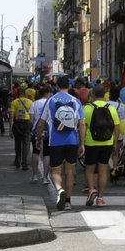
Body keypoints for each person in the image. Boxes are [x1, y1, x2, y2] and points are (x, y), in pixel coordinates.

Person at [80, 85, 125, 206]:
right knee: (103, 170)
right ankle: (100, 198)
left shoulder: (87, 108)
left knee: (89, 170)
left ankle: (91, 189)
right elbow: (117, 127)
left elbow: (83, 126)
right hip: (107, 142)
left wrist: (81, 142)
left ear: (93, 94)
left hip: (91, 142)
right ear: (104, 95)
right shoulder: (111, 108)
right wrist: (115, 143)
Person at [43, 75, 83, 211]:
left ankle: (60, 190)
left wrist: (37, 138)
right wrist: (82, 143)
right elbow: (82, 123)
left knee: (55, 171)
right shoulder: (76, 101)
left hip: (55, 141)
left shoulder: (51, 101)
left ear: (56, 87)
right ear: (69, 86)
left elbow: (42, 122)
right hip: (72, 140)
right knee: (70, 171)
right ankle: (68, 201)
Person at [10, 89, 34, 170]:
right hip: (26, 124)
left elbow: (11, 116)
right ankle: (24, 163)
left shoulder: (14, 102)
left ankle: (17, 162)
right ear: (24, 94)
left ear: (18, 94)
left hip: (17, 124)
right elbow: (32, 117)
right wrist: (31, 126)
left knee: (17, 143)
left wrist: (11, 128)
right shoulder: (30, 102)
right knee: (26, 144)